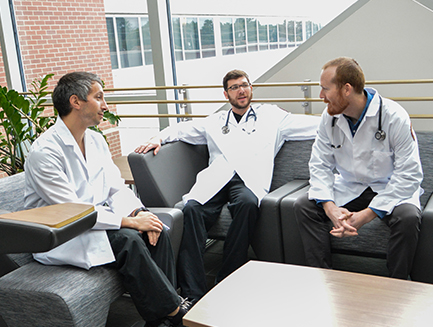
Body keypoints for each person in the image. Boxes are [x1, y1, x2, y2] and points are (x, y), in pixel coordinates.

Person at [135, 69, 320, 303]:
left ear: (251, 88)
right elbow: (181, 129)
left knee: (248, 204)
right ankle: (193, 292)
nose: (241, 90)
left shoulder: (273, 117)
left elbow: (313, 124)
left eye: (244, 85)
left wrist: (342, 119)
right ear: (226, 94)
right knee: (191, 208)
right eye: (234, 87)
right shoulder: (214, 121)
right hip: (217, 178)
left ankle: (227, 277)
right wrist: (158, 138)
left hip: (248, 179)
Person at [24, 72, 191, 327]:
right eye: (99, 97)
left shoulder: (96, 140)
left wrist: (138, 214)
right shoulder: (45, 152)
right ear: (75, 101)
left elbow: (116, 188)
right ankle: (174, 311)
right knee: (129, 239)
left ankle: (163, 319)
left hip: (95, 222)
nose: (105, 106)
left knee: (157, 229)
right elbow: (74, 212)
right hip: (62, 234)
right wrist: (131, 224)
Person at [294, 57, 423, 279]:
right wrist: (330, 208)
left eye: (325, 89)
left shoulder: (394, 116)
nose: (320, 96)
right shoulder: (329, 118)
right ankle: (322, 278)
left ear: (346, 89)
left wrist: (365, 216)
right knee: (303, 205)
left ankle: (397, 284)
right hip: (350, 186)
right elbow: (319, 164)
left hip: (388, 188)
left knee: (408, 217)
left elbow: (409, 175)